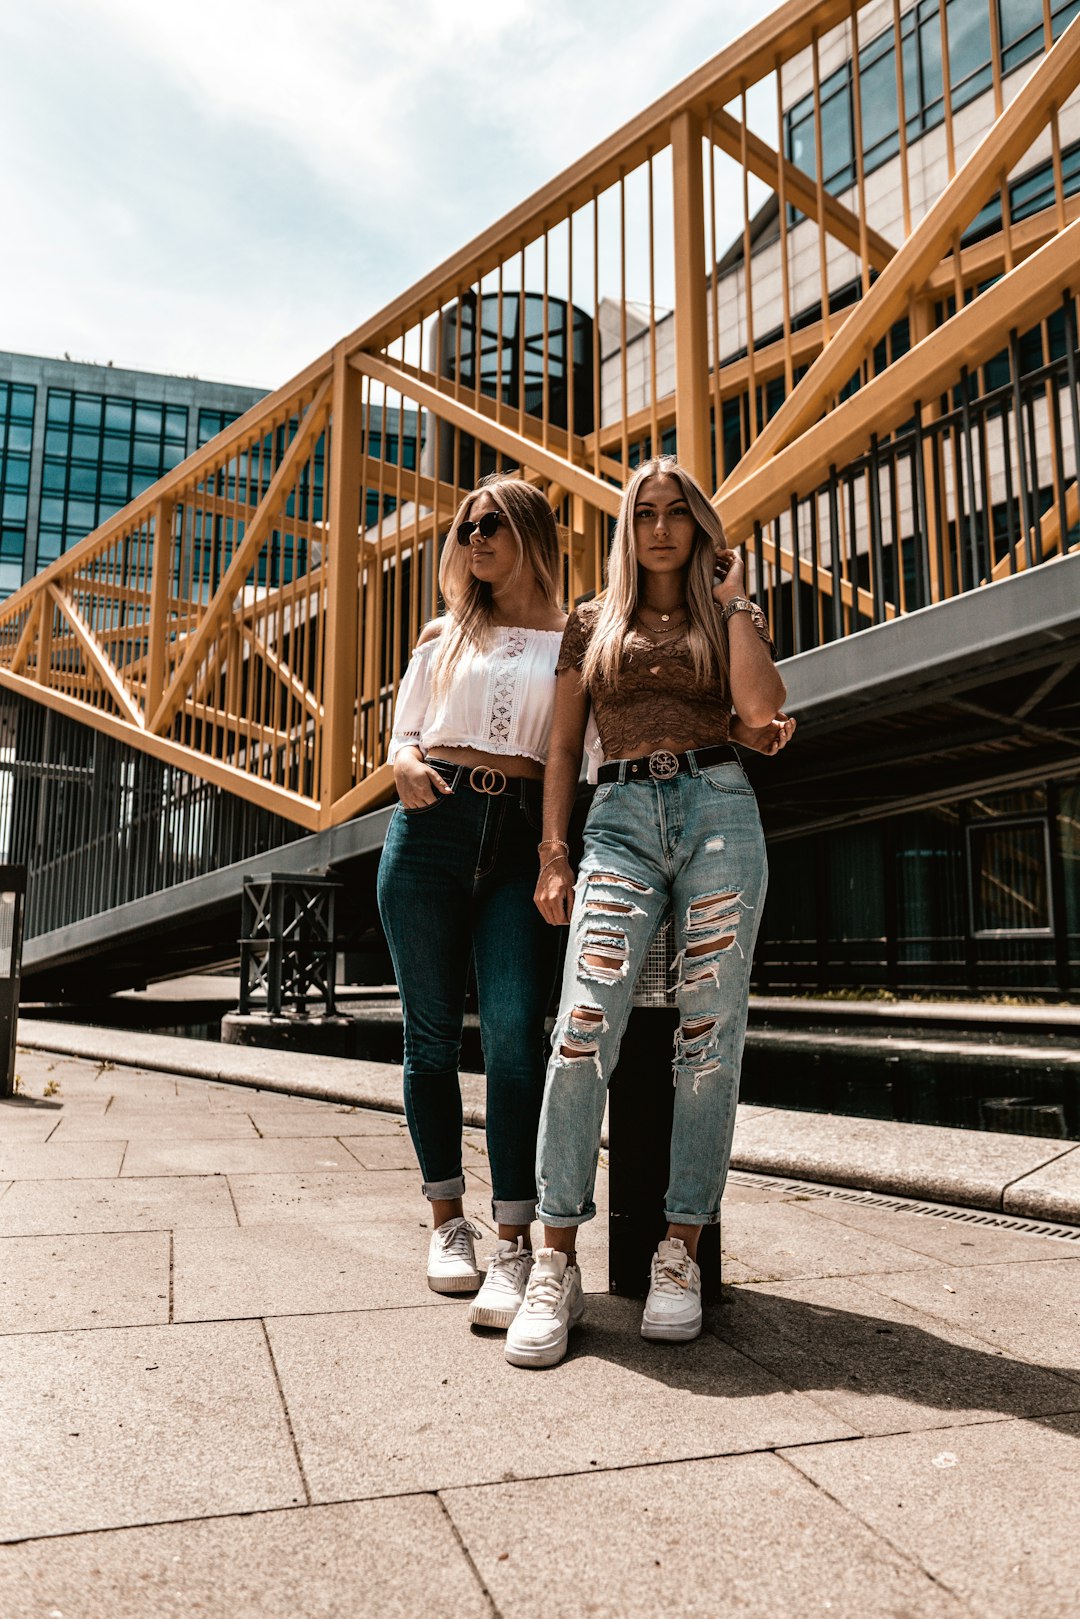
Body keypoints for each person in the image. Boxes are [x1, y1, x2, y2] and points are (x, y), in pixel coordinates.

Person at [504, 455, 794, 1369]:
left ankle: (681, 1251)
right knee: (583, 1026)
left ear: (699, 527)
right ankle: (556, 1260)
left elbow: (759, 706)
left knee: (710, 1036)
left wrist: (737, 597)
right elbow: (560, 747)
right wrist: (555, 852)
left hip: (719, 809)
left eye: (677, 512)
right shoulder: (592, 620)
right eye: (645, 512)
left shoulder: (725, 615)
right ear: (626, 527)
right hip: (621, 817)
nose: (661, 526)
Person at [376, 473, 567, 1330]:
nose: (473, 537)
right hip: (430, 829)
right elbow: (403, 732)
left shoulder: (574, 639)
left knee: (518, 1036)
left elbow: (577, 753)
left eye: (490, 523)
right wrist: (406, 762)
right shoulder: (442, 633)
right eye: (465, 526)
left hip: (521, 831)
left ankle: (516, 1237)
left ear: (526, 530)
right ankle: (448, 1220)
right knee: (428, 1037)